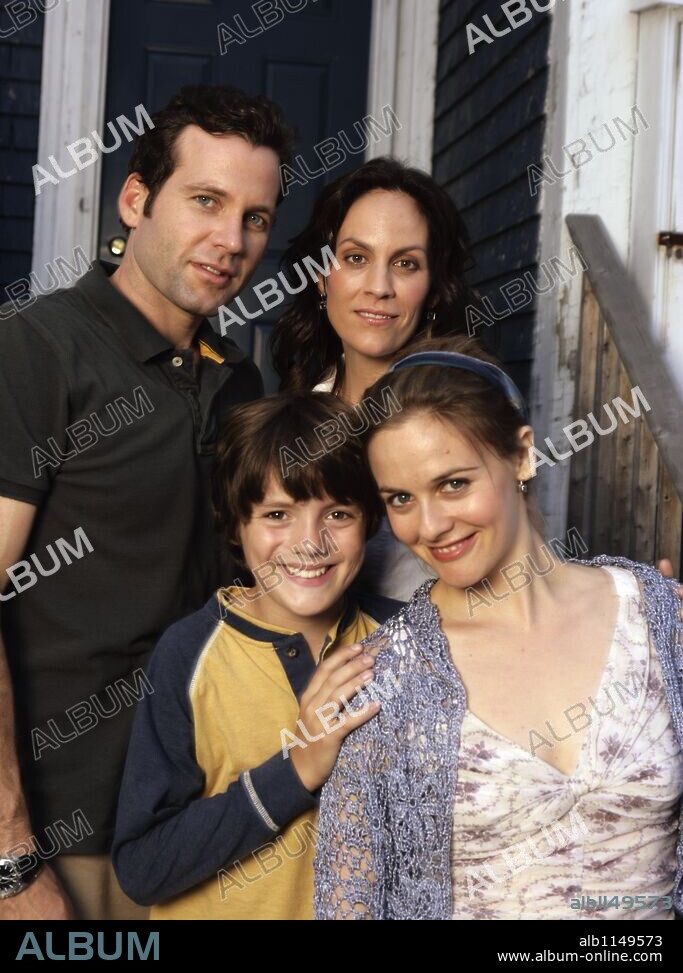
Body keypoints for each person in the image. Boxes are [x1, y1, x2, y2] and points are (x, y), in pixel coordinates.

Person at [0, 84, 293, 920]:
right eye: (205, 201)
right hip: (65, 832)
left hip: (198, 813)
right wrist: (12, 857)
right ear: (135, 198)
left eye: (255, 217)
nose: (230, 240)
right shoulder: (37, 348)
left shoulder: (238, 380)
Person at [314, 336, 683, 920]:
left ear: (522, 456)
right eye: (401, 498)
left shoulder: (659, 619)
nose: (430, 526)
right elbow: (350, 904)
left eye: (453, 483)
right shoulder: (384, 678)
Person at [112, 393, 400, 919]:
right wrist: (298, 770)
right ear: (236, 525)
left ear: (370, 521)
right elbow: (143, 868)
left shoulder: (405, 637)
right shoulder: (189, 655)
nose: (309, 543)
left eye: (337, 512)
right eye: (277, 514)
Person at [271, 157, 481, 600]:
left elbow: (525, 567)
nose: (379, 286)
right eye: (355, 258)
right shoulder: (293, 420)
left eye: (405, 264)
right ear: (321, 278)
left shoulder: (472, 419)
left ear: (435, 289)